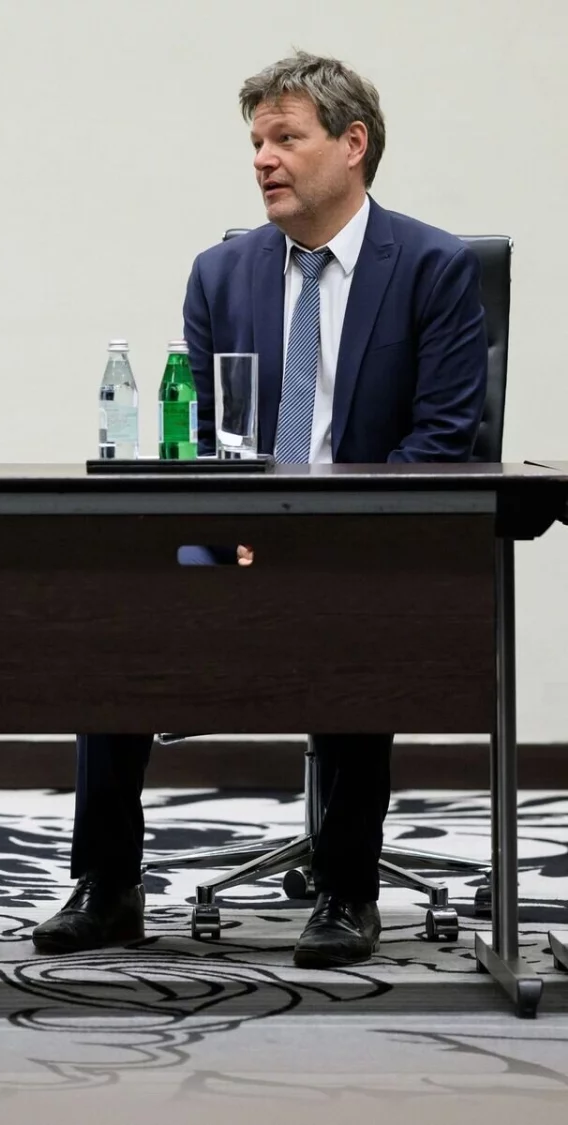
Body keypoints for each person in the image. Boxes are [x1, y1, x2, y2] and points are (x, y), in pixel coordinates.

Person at [34, 52, 487, 968]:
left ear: (353, 144)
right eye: (256, 142)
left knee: (351, 609)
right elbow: (201, 440)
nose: (263, 160)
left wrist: (320, 538)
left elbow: (442, 442)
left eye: (286, 138)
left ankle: (347, 888)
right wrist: (230, 533)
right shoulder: (222, 273)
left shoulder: (432, 267)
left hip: (366, 551)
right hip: (235, 545)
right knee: (116, 609)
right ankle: (109, 885)